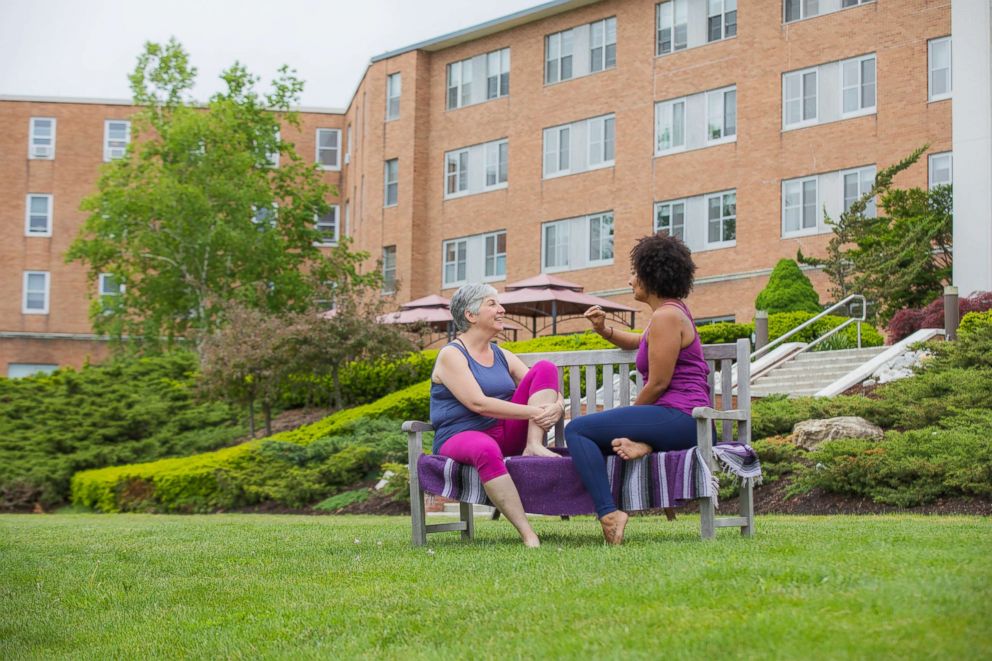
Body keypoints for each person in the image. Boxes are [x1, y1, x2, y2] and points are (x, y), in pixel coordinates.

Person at [565, 233, 711, 545]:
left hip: (681, 416)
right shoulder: (669, 313)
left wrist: (631, 414)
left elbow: (658, 383)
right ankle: (645, 445)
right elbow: (639, 341)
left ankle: (609, 514)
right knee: (597, 441)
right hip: (675, 417)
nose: (630, 280)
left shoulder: (667, 316)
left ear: (650, 274)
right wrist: (604, 329)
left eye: (634, 272)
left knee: (577, 430)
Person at [430, 283, 565, 547]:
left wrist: (558, 405)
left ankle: (534, 445)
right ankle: (528, 534)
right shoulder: (451, 355)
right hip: (462, 435)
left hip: (505, 431)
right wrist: (537, 412)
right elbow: (478, 404)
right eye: (492, 304)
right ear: (471, 315)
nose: (502, 309)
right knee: (484, 448)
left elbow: (540, 382)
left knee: (546, 368)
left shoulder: (501, 354)